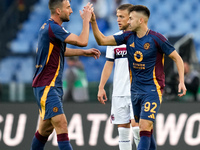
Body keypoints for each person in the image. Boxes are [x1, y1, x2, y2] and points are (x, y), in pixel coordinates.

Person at [91, 5, 186, 150]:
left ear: (140, 20)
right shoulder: (127, 37)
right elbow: (102, 41)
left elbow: (177, 58)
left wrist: (182, 81)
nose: (128, 22)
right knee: (145, 130)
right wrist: (93, 22)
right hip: (134, 90)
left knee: (143, 126)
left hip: (152, 89)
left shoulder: (156, 38)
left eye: (130, 18)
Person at [31, 1, 100, 150]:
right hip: (47, 85)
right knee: (61, 123)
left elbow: (60, 51)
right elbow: (83, 41)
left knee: (44, 130)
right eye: (68, 8)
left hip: (50, 85)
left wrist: (84, 52)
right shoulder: (53, 28)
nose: (71, 11)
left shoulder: (50, 28)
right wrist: (86, 19)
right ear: (58, 10)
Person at [97, 4, 140, 150]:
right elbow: (109, 64)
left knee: (137, 129)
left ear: (130, 18)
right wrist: (101, 86)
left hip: (137, 91)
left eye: (121, 16)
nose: (118, 20)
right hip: (119, 92)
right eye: (117, 16)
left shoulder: (141, 38)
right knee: (122, 131)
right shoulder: (114, 40)